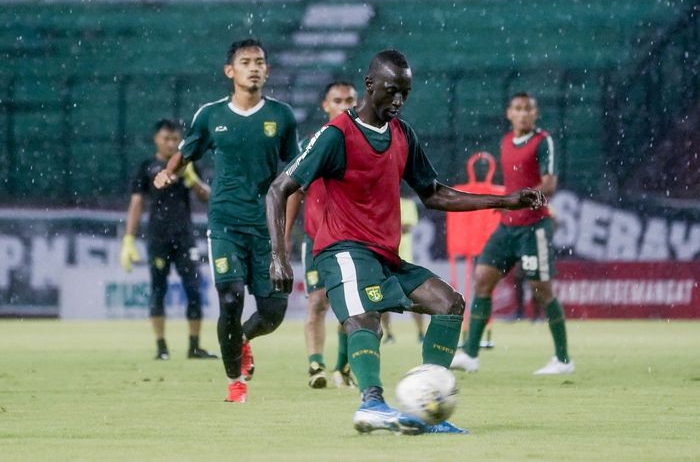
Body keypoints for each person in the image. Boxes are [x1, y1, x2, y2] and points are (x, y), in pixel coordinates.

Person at [265, 50, 545, 434]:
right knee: (365, 317)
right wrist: (278, 256)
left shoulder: (402, 135)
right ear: (369, 85)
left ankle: (426, 403)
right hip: (342, 249)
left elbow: (433, 193)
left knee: (449, 303)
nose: (398, 100)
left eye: (405, 94)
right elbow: (279, 189)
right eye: (391, 91)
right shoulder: (335, 135)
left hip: (386, 256)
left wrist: (503, 200)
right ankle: (372, 404)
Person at [153, 39, 300, 403]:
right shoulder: (211, 115)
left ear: (267, 70)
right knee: (231, 297)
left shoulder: (281, 117)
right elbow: (185, 152)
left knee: (272, 312)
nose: (254, 67)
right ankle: (235, 381)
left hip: (265, 227)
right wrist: (168, 172)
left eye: (260, 62)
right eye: (246, 62)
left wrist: (284, 231)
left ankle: (244, 339)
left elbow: (294, 175)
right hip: (225, 225)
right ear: (230, 71)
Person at [451, 92, 574, 375]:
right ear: (508, 113)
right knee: (482, 280)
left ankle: (563, 360)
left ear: (536, 113)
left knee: (542, 291)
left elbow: (550, 185)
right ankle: (470, 354)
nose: (522, 114)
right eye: (517, 109)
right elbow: (512, 184)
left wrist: (521, 199)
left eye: (528, 109)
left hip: (534, 227)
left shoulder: (543, 141)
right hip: (507, 227)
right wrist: (506, 205)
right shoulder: (506, 142)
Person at [121, 119, 216, 360]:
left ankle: (194, 346)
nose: (171, 143)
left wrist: (192, 180)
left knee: (194, 290)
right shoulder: (147, 167)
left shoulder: (187, 165)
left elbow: (207, 198)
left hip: (185, 237)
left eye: (175, 139)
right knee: (157, 291)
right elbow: (136, 203)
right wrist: (128, 239)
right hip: (158, 237)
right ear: (157, 139)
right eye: (166, 139)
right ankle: (161, 348)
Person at [301, 81, 358, 389]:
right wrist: (284, 236)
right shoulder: (315, 143)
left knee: (351, 306)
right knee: (317, 301)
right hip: (316, 237)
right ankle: (316, 366)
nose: (346, 105)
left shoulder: (367, 142)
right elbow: (295, 188)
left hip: (352, 238)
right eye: (338, 100)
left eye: (350, 99)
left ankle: (343, 366)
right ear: (325, 105)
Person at [380, 194, 425, 344]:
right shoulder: (382, 201)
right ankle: (389, 334)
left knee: (415, 299)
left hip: (405, 260)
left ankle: (421, 333)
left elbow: (407, 227)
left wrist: (385, 224)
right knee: (384, 301)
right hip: (385, 259)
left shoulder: (407, 204)